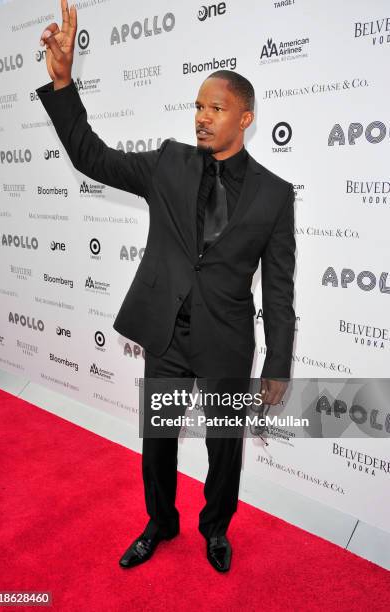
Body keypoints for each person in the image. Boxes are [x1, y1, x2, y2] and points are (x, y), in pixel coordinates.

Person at [38, 0, 296, 573]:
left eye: (216, 108)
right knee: (158, 440)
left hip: (227, 339)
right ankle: (160, 521)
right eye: (198, 106)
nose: (202, 117)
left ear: (245, 117)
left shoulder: (275, 194)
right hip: (166, 334)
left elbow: (279, 286)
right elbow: (91, 157)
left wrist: (278, 362)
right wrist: (63, 83)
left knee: (223, 451)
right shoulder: (168, 164)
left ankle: (216, 529)